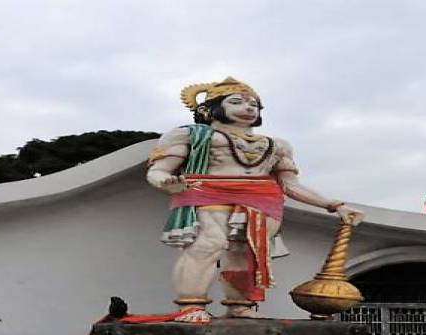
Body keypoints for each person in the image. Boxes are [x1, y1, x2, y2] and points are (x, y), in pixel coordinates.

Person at [147, 77, 363, 322]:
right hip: (209, 192)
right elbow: (158, 171)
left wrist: (334, 205)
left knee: (247, 252)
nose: (249, 108)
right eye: (236, 102)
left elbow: (290, 186)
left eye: (255, 105)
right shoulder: (190, 135)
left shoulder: (277, 145)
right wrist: (166, 182)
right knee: (208, 245)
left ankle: (239, 305)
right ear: (210, 108)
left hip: (262, 199)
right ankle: (191, 306)